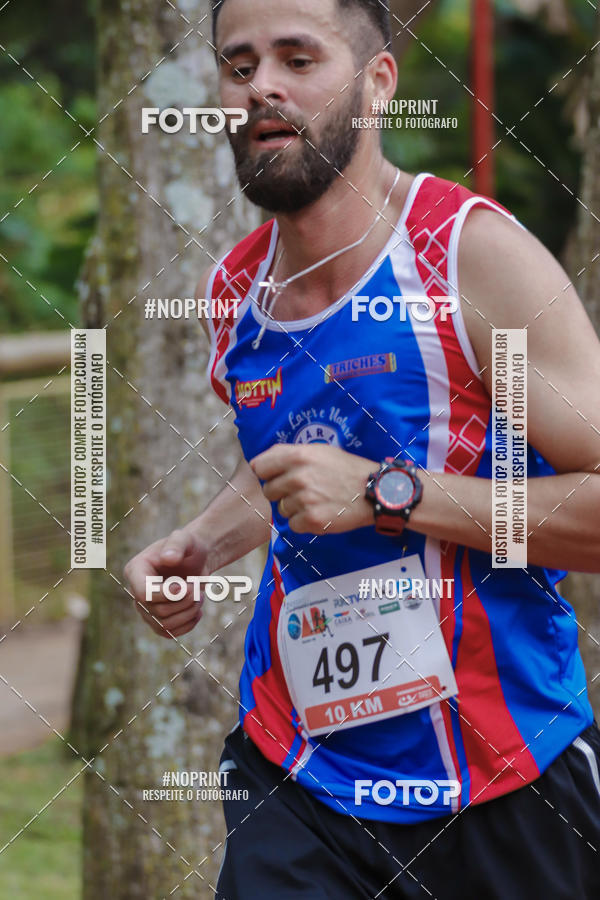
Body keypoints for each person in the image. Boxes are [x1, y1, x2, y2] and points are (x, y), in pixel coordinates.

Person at [124, 0, 600, 896]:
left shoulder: (470, 259)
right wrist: (204, 543)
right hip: (299, 779)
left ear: (378, 83)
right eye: (239, 64)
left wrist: (391, 495)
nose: (261, 84)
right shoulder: (231, 291)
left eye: (297, 57)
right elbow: (300, 455)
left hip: (503, 780)